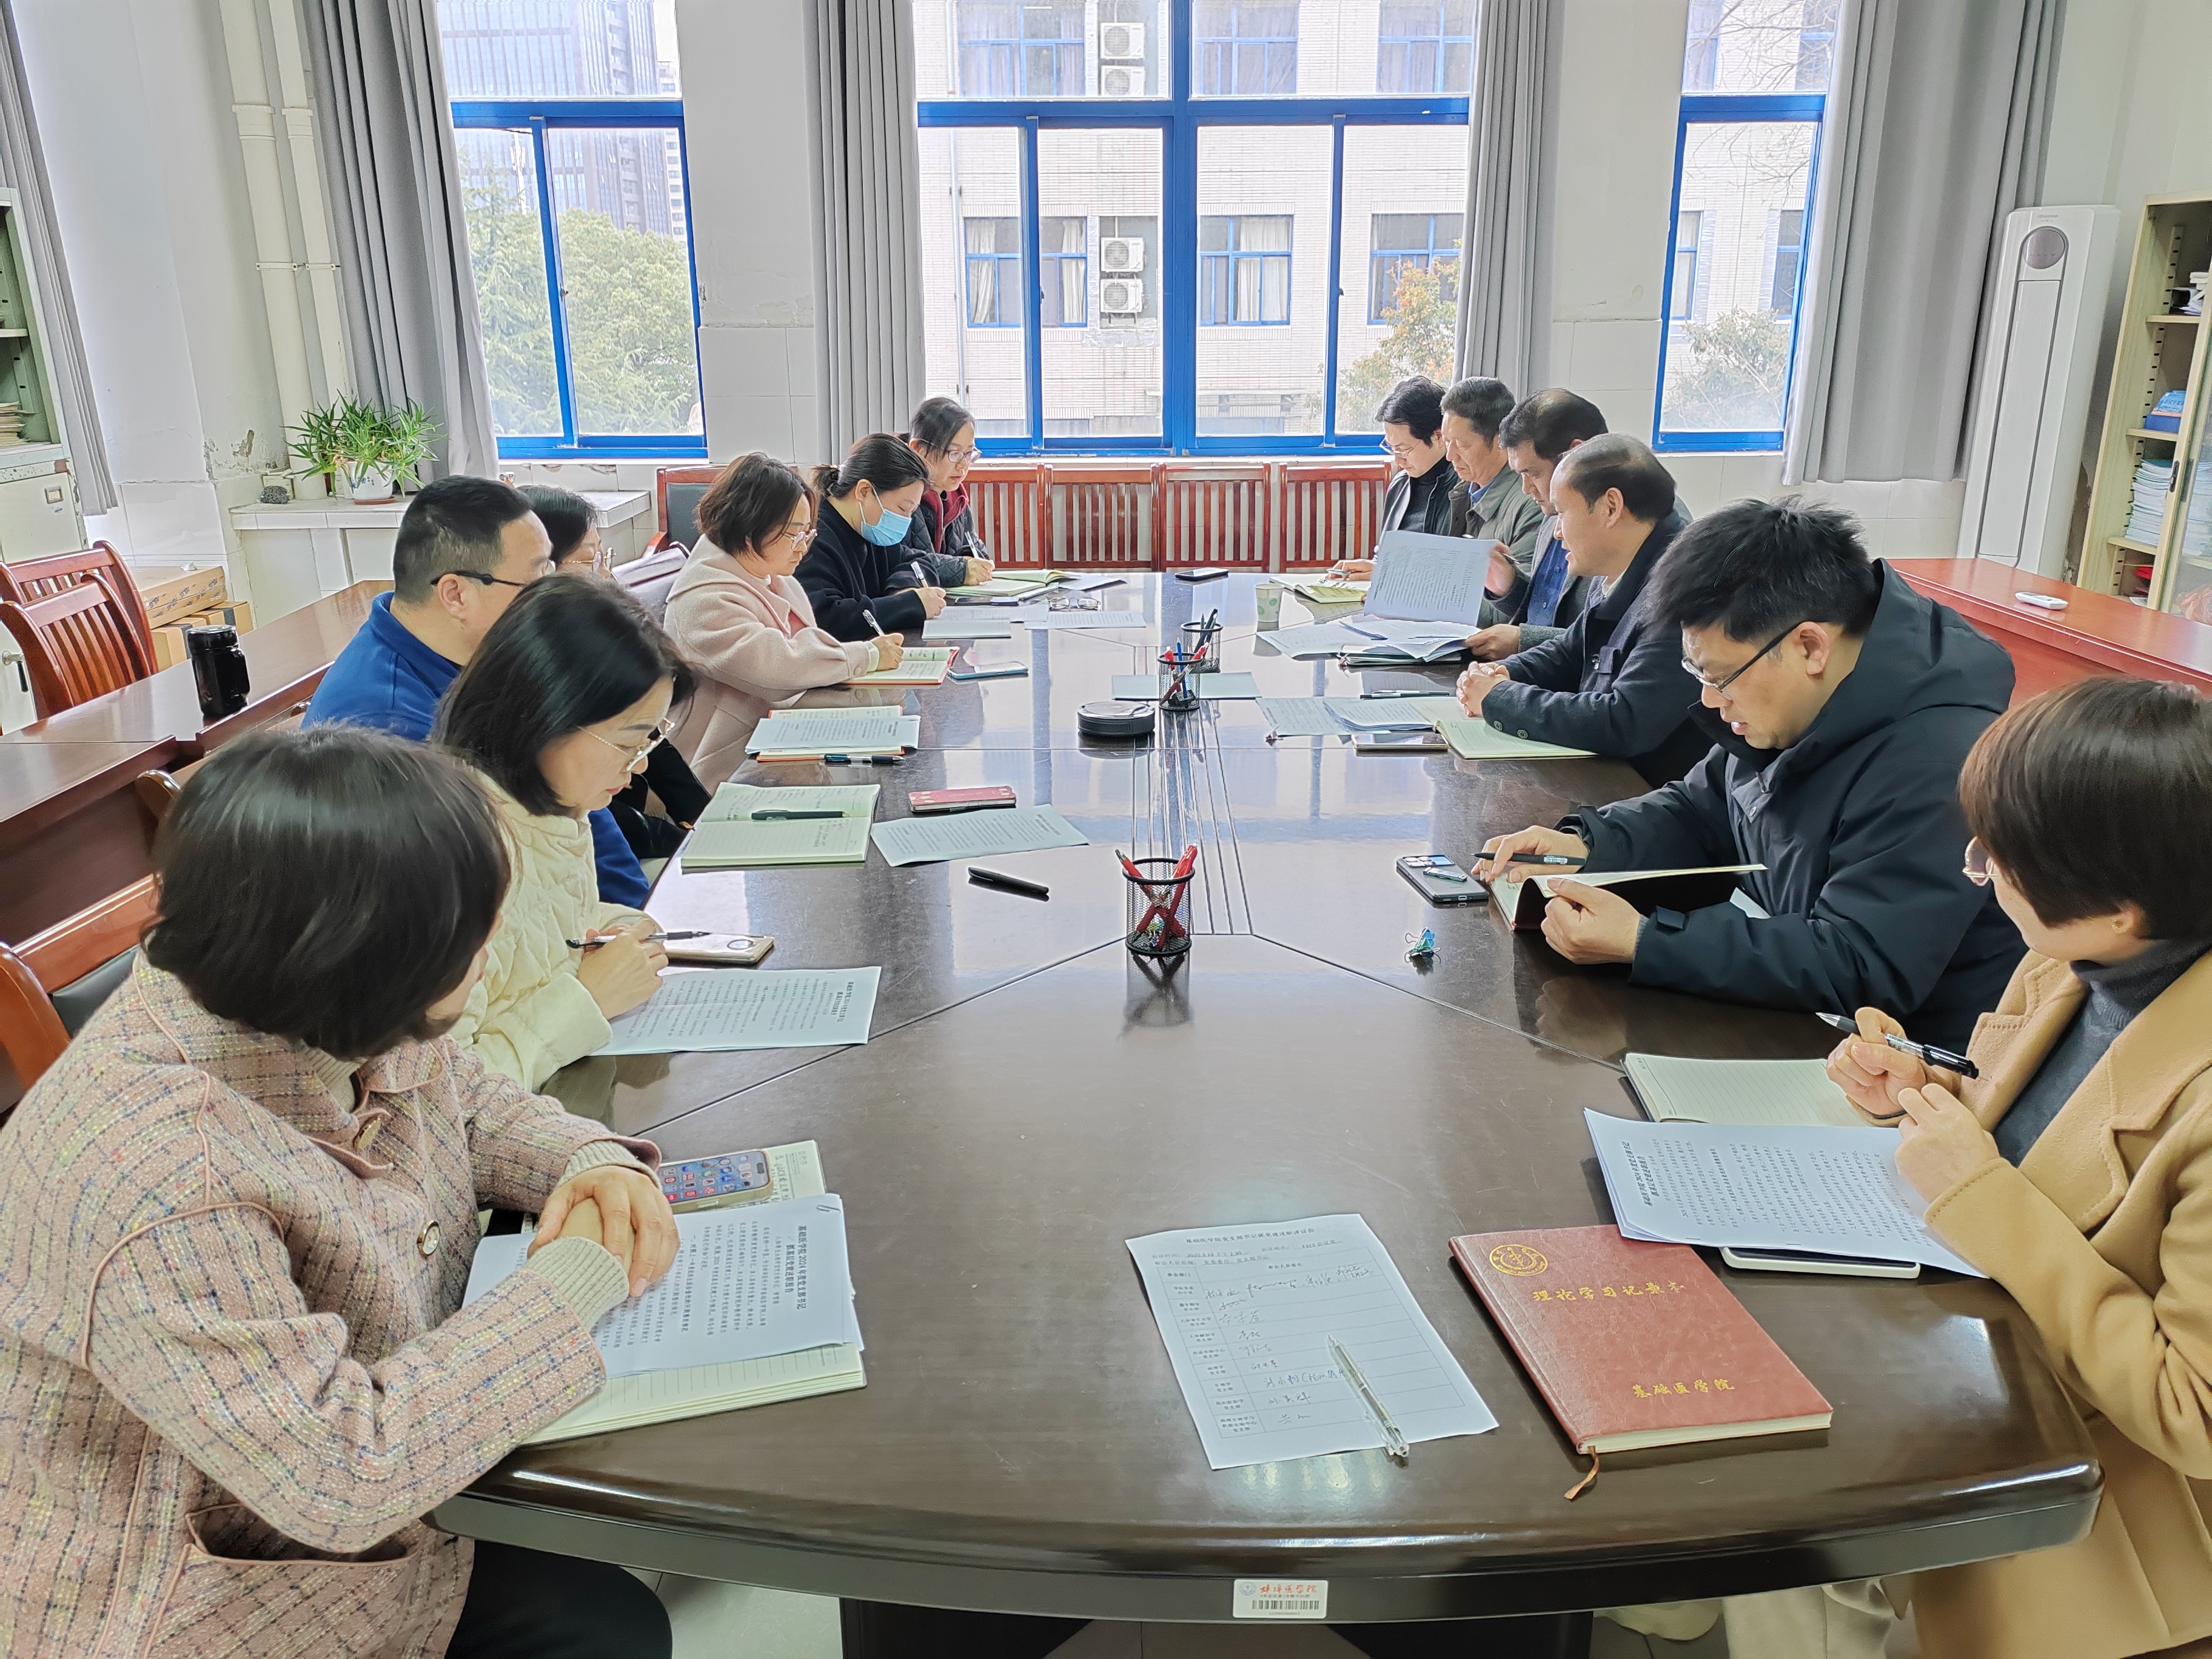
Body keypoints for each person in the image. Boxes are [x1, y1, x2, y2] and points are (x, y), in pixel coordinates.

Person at [0, 725, 678, 1659]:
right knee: (608, 1628)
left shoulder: (289, 989)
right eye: (473, 938)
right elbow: (341, 1475)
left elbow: (466, 1100)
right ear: (367, 966)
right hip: (191, 1601)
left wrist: (589, 1159)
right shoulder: (165, 1177)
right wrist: (573, 1283)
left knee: (605, 1600)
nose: (489, 954)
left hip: (355, 1505)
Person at [1704, 678, 2212, 1659]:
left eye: (1995, 860)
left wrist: (1977, 1187)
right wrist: (1928, 1088)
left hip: (2107, 1468)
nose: (1978, 872)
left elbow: (2188, 1414)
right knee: (1746, 1397)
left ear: (2119, 910)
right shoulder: (2072, 957)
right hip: (1975, 1344)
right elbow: (2047, 1123)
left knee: (1789, 1500)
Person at [1475, 497, 2024, 1051]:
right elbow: (1702, 808)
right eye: (1699, 674)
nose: (1711, 701)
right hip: (1804, 1015)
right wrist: (1587, 845)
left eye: (1721, 677)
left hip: (1908, 1064)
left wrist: (1646, 941)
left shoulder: (1941, 761)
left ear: (1810, 646)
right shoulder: (1797, 698)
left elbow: (1862, 962)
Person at [301, 475, 654, 910]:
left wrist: (639, 911)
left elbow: (573, 800)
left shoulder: (485, 650)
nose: (549, 596)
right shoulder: (388, 728)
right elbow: (469, 901)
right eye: (534, 580)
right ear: (455, 594)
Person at [433, 577, 692, 1090]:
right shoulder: (449, 863)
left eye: (649, 740)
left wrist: (618, 929)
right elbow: (442, 1093)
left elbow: (551, 921)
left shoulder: (552, 811)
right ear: (544, 715)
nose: (640, 766)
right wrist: (586, 999)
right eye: (628, 742)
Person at [1452, 435, 1706, 786]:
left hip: (1645, 791)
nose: (1557, 532)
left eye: (1562, 513)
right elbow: (1571, 651)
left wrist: (1500, 698)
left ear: (1611, 508)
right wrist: (1503, 672)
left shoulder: (1682, 591)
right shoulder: (1622, 564)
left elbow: (1623, 721)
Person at [666, 452, 907, 785]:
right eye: (794, 534)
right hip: (725, 773)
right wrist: (866, 655)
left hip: (777, 744)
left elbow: (802, 670)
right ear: (750, 528)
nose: (803, 547)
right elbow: (778, 667)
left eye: (807, 533)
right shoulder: (703, 600)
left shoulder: (774, 576)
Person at [527, 483, 711, 862]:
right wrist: (675, 840)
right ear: (541, 569)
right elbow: (594, 816)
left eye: (603, 556)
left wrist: (701, 814)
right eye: (589, 560)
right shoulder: (539, 664)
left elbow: (648, 735)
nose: (607, 575)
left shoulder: (584, 635)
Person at [1329, 376, 1541, 590]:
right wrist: (1386, 571)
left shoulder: (1523, 501)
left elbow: (1514, 598)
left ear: (1500, 440)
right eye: (1448, 443)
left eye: (1462, 445)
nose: (1450, 456)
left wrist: (1402, 584)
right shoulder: (1457, 489)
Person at [1464, 389, 1609, 661]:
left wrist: (1524, 642)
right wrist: (1507, 585)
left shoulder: (1622, 522)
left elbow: (1611, 642)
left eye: (1531, 473)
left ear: (1574, 455)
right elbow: (1545, 610)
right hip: (1533, 669)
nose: (1526, 488)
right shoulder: (1552, 509)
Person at [796, 434, 972, 642]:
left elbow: (916, 560)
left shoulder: (870, 529)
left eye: (912, 512)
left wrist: (905, 588)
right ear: (864, 491)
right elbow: (827, 619)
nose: (906, 520)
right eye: (903, 508)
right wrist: (907, 606)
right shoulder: (815, 539)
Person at [904, 395, 994, 569]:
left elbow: (977, 550)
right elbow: (903, 560)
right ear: (918, 449)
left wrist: (972, 560)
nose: (963, 465)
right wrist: (961, 568)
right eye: (954, 453)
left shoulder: (958, 498)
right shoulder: (901, 499)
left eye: (969, 453)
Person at [1373, 376, 1455, 541]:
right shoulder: (1400, 484)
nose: (1398, 461)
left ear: (1438, 437)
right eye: (1392, 448)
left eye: (1403, 450)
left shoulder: (1464, 489)